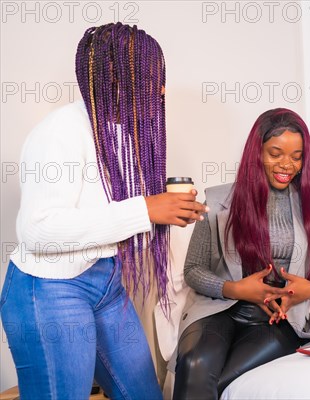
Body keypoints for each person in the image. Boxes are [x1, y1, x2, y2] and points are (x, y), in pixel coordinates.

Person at [0, 23, 206, 399]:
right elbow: (38, 229)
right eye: (151, 78)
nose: (161, 89)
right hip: (50, 290)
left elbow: (111, 218)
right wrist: (146, 209)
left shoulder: (119, 135)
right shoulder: (60, 132)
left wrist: (170, 211)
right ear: (117, 78)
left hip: (105, 284)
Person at [172, 108, 310, 399]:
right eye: (275, 153)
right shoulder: (219, 200)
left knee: (220, 382)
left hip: (276, 322)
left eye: (297, 156)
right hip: (218, 310)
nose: (287, 164)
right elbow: (193, 270)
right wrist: (235, 288)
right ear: (256, 152)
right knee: (195, 364)